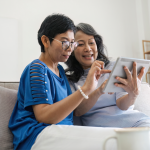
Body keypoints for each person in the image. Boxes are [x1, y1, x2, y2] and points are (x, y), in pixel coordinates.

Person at [8, 14, 112, 150]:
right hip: (37, 136)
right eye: (64, 42)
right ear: (45, 41)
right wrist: (85, 88)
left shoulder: (60, 71)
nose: (70, 48)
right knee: (107, 140)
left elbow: (76, 111)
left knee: (110, 138)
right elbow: (44, 116)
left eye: (72, 43)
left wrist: (97, 90)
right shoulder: (37, 69)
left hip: (61, 133)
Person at [65, 23, 150, 128]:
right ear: (72, 50)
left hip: (134, 122)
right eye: (81, 44)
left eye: (91, 43)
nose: (88, 48)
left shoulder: (113, 67)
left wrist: (133, 95)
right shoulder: (70, 80)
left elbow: (122, 106)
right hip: (100, 128)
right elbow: (77, 111)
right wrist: (99, 91)